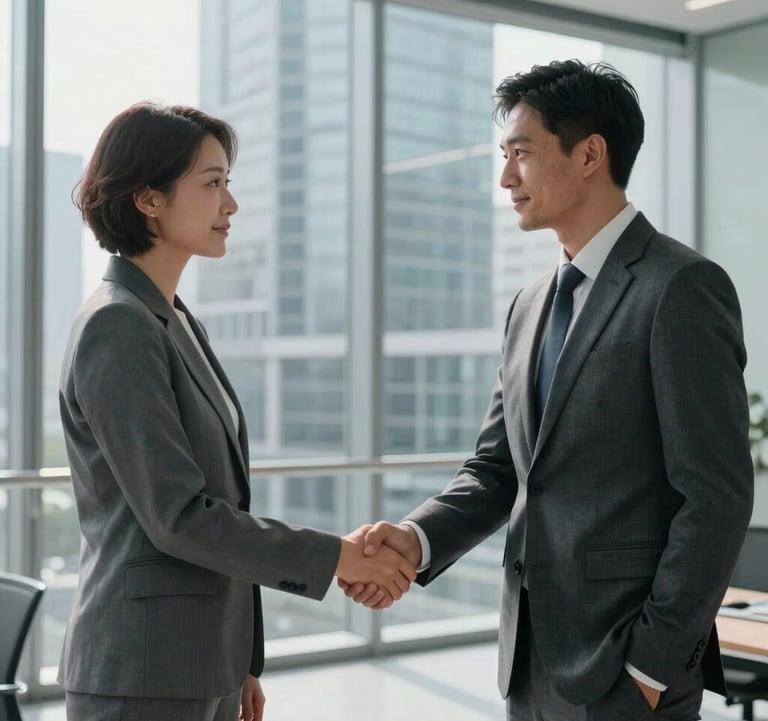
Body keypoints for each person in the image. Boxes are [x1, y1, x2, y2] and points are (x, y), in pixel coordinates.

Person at [341, 60, 754, 720]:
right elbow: (497, 469)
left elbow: (716, 496)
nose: (506, 178)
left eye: (522, 154)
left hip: (626, 670)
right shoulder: (529, 304)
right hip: (528, 661)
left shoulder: (680, 288)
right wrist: (414, 540)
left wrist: (651, 666)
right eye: (504, 157)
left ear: (589, 154)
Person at [58, 102, 416, 721]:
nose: (232, 204)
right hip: (141, 670)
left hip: (201, 663)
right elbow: (179, 516)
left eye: (228, 182)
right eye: (213, 183)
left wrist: (241, 659)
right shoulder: (118, 324)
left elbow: (225, 502)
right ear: (148, 198)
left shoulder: (173, 319)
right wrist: (339, 556)